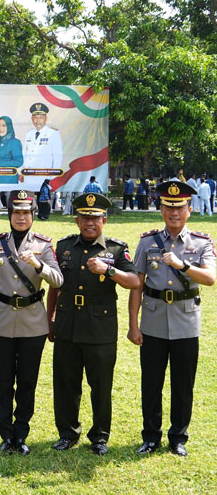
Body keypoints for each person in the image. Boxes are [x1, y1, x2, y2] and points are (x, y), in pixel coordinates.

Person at [46, 193, 140, 455]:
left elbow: (134, 282)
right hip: (67, 323)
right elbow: (55, 285)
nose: (90, 222)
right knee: (66, 383)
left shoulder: (116, 249)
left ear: (104, 220)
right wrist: (49, 317)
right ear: (77, 220)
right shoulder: (64, 246)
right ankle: (67, 433)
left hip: (100, 328)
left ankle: (99, 437)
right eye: (85, 217)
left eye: (95, 218)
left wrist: (108, 270)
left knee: (100, 385)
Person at [127, 181, 216, 457]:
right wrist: (133, 323)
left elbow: (211, 278)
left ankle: (178, 437)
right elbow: (137, 285)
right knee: (151, 383)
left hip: (186, 323)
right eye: (168, 207)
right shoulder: (146, 242)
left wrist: (183, 265)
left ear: (189, 209)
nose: (173, 212)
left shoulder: (201, 242)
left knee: (182, 384)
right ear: (161, 209)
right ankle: (151, 437)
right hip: (152, 321)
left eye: (179, 207)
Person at [0, 190, 63, 454]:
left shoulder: (43, 244)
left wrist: (39, 266)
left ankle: (22, 434)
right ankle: (6, 435)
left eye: (26, 212)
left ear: (33, 215)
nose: (21, 217)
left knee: (27, 382)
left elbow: (58, 281)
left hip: (33, 323)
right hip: (1, 320)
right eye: (16, 212)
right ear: (9, 215)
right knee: (3, 382)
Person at [23, 103, 63, 190]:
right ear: (32, 119)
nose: (38, 120)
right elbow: (24, 156)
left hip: (44, 180)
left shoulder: (53, 133)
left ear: (46, 118)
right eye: (35, 117)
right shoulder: (29, 134)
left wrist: (51, 181)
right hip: (28, 179)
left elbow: (57, 159)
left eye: (41, 117)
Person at [0, 116, 23, 184]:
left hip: (7, 181)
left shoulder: (14, 142)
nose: (1, 128)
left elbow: (18, 162)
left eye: (4, 125)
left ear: (9, 127)